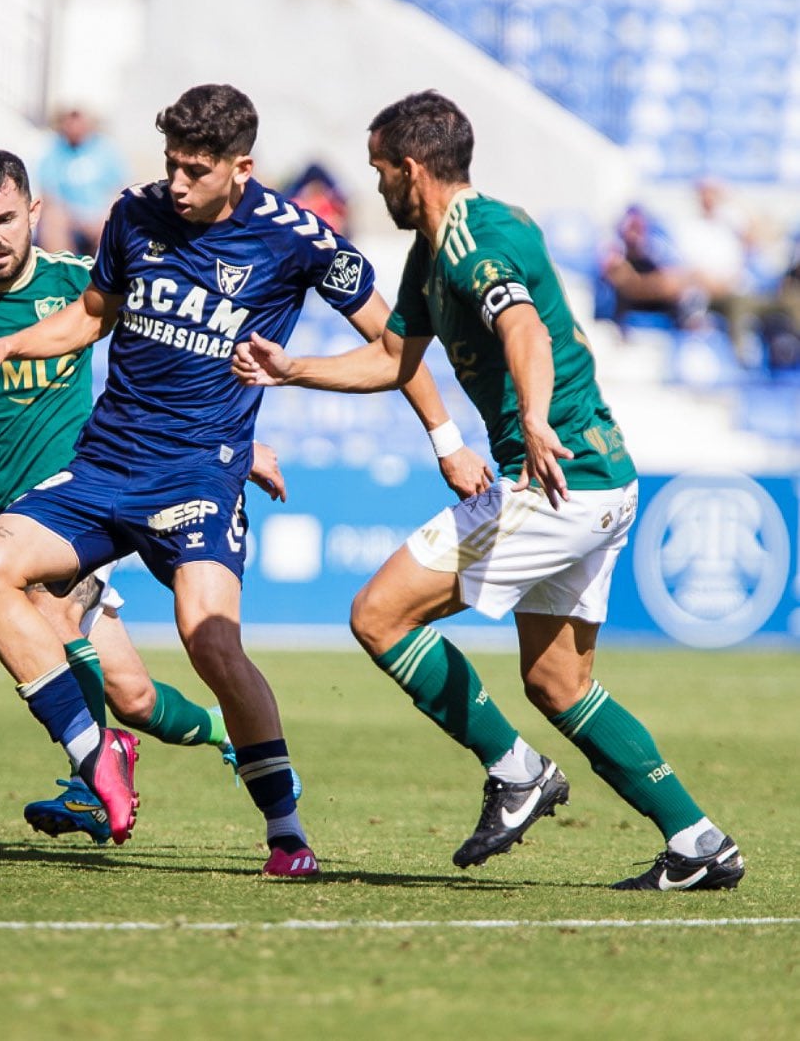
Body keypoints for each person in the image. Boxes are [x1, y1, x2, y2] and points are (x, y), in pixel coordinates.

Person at [0, 84, 491, 876]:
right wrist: (12, 345)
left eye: (195, 169)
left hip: (200, 473)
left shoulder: (298, 239)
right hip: (106, 464)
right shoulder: (135, 214)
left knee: (210, 640)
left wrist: (445, 439)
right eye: (171, 163)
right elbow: (94, 311)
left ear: (242, 168)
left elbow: (396, 344)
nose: (177, 182)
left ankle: (286, 830)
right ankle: (95, 755)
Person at [233, 90, 745, 892]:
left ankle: (515, 770)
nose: (375, 188)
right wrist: (292, 368)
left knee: (377, 614)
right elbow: (396, 358)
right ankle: (699, 841)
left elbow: (525, 330)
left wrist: (535, 420)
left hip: (553, 481)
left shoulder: (474, 241)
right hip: (598, 482)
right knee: (556, 682)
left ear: (411, 170)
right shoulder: (435, 248)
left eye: (379, 172)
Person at [0, 148, 288, 847]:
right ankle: (227, 733)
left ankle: (91, 780)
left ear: (33, 211)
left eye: (4, 219)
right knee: (135, 698)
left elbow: (182, 348)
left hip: (88, 501)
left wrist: (234, 444)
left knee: (49, 604)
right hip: (7, 519)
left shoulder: (79, 284)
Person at [36, 106, 127, 257]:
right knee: (52, 220)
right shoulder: (54, 150)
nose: (74, 126)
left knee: (115, 219)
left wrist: (104, 214)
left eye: (78, 119)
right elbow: (49, 194)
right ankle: (64, 272)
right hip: (69, 217)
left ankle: (105, 275)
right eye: (69, 120)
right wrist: (74, 219)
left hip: (99, 216)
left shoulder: (106, 149)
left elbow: (119, 190)